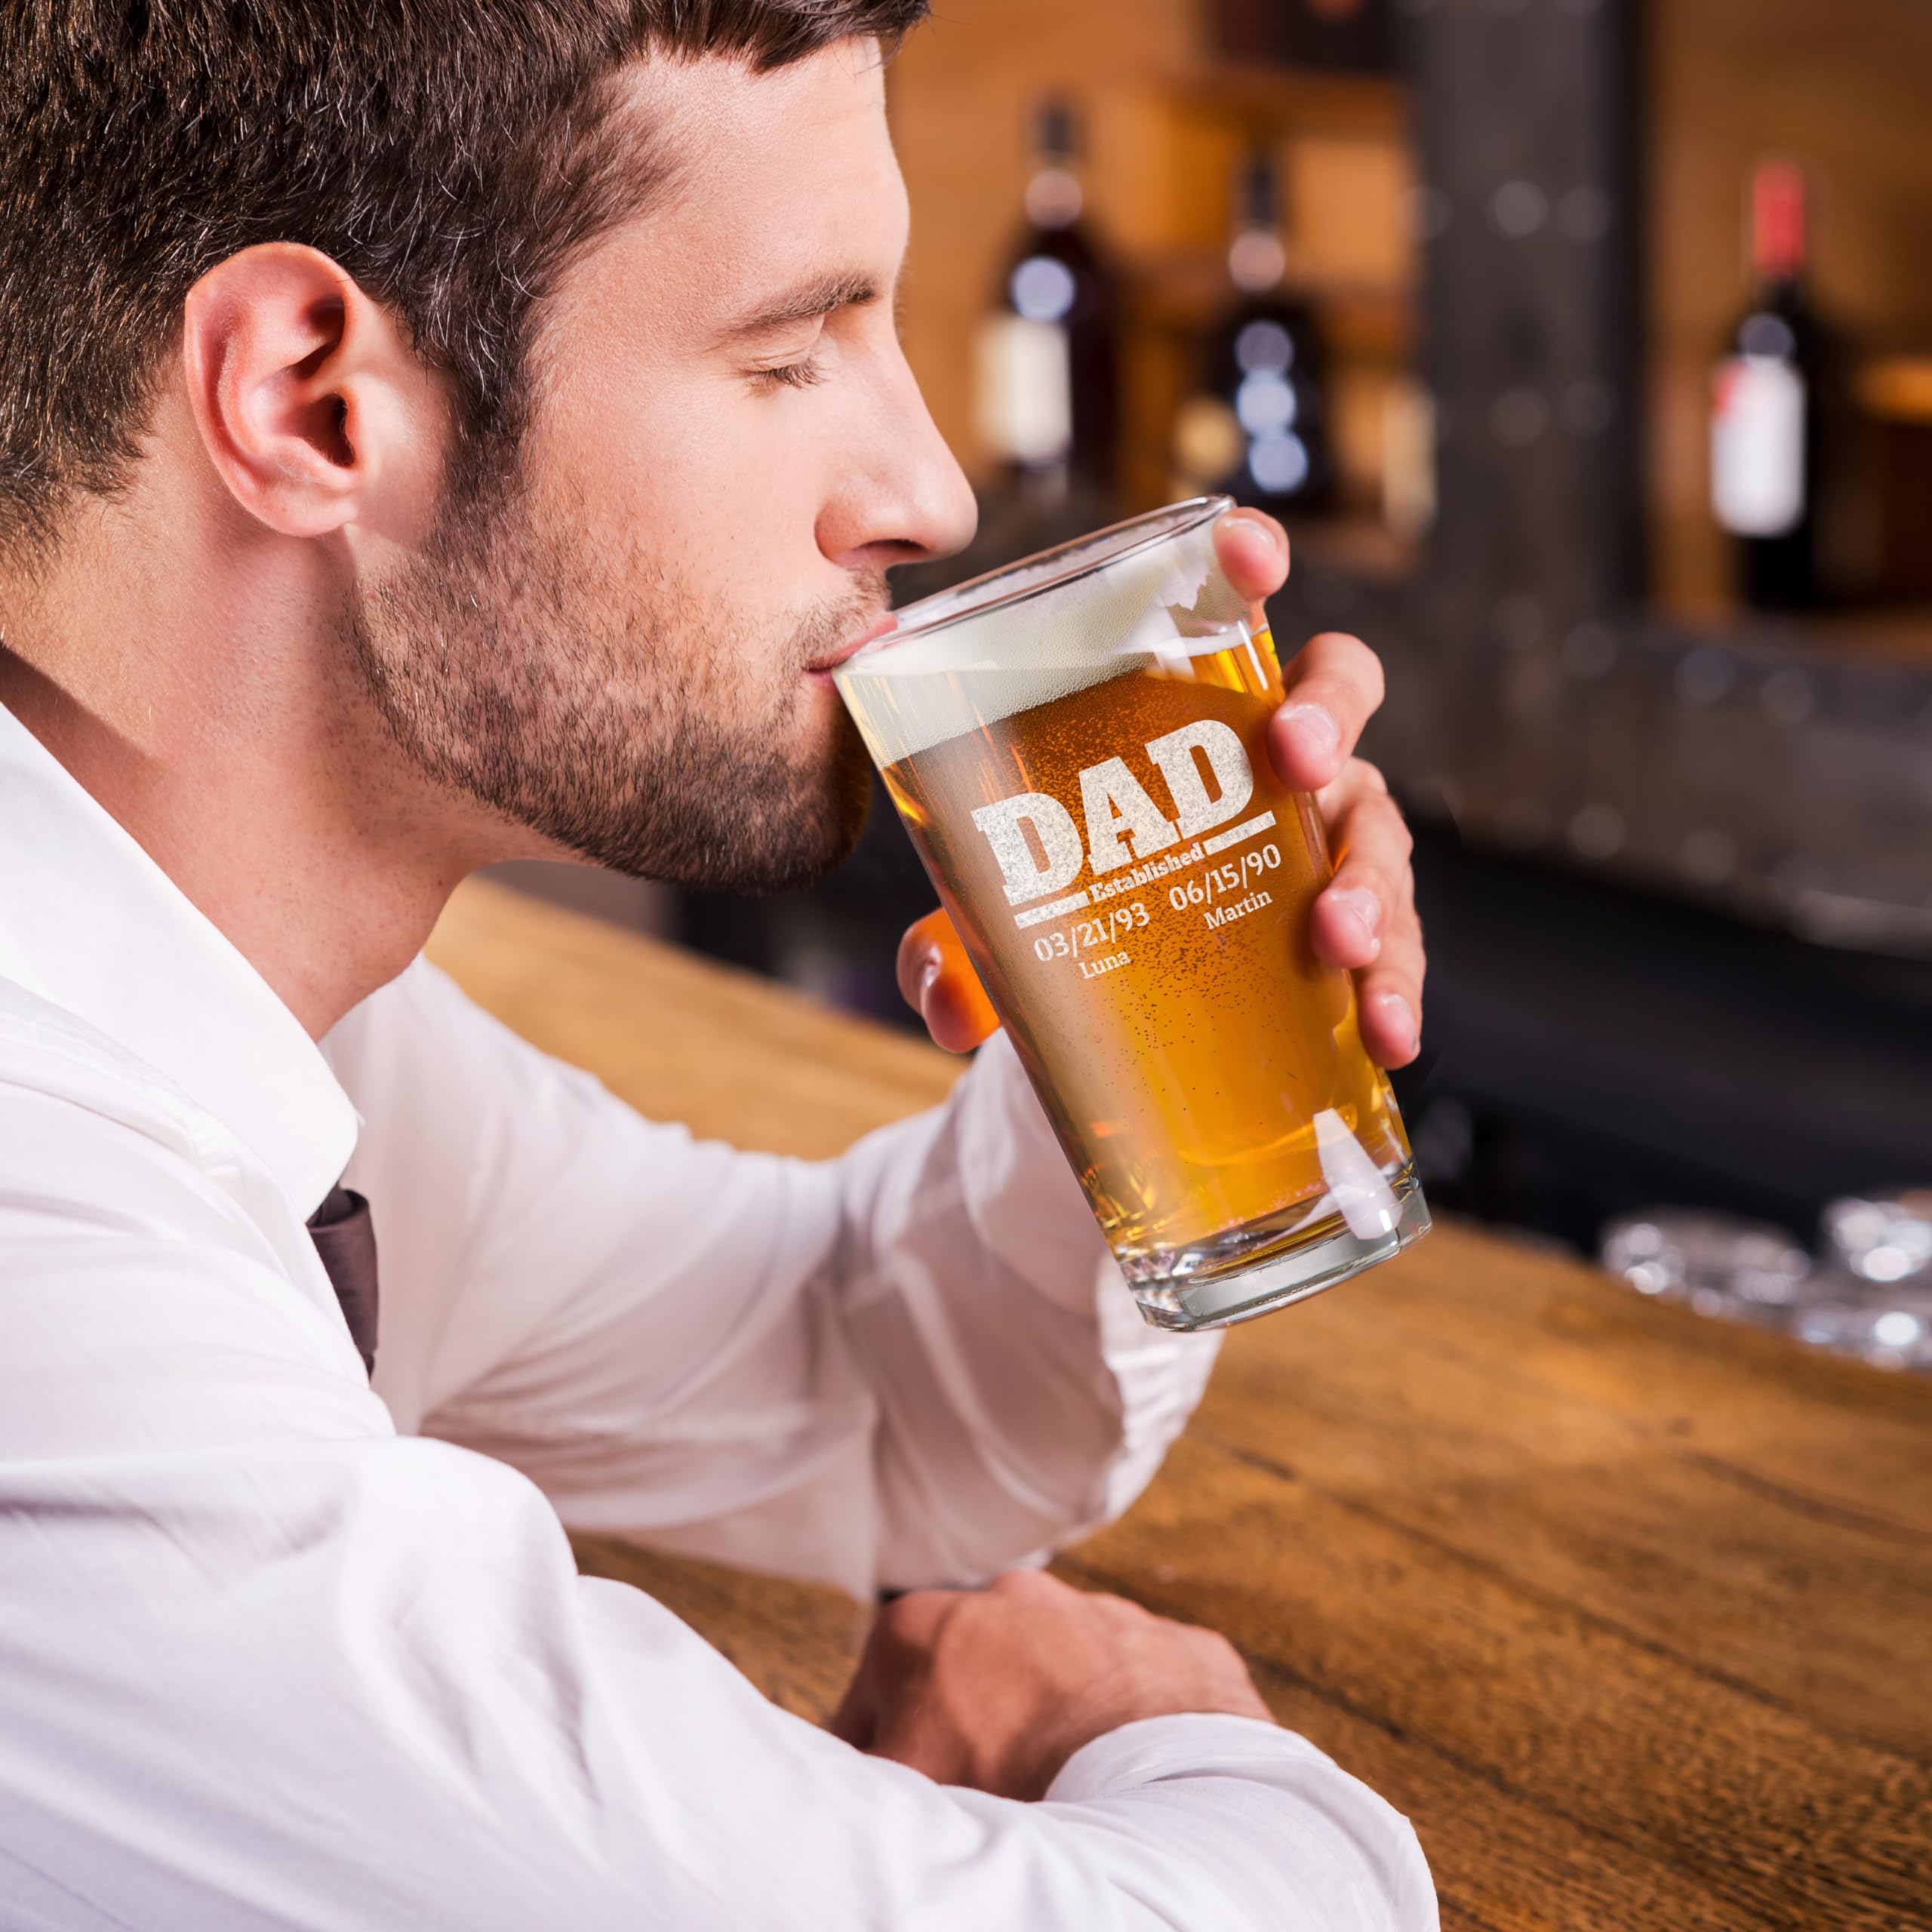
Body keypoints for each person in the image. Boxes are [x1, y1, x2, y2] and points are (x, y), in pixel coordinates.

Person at [0, 4, 1432, 1927]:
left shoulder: (275, 1026)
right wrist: (1163, 1733)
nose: (925, 489)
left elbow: (867, 1380)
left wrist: (1139, 1011)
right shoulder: (46, 1248)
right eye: (790, 351)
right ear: (313, 401)